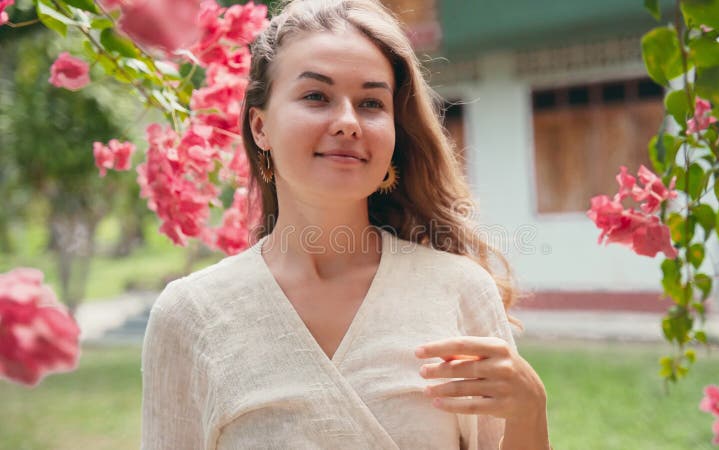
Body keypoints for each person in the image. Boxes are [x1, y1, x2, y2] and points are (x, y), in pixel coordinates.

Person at [141, 0, 550, 448]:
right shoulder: (191, 315)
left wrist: (530, 408)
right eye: (316, 96)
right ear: (260, 127)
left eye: (372, 103)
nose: (348, 123)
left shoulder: (459, 292)